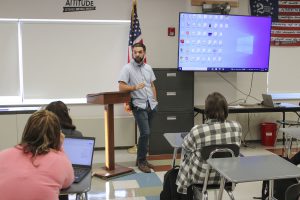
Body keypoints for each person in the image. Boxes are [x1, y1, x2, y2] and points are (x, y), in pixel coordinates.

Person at [176, 92, 242, 194]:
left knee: (189, 154)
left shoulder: (197, 130)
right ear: (225, 109)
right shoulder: (236, 127)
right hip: (228, 177)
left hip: (201, 178)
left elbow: (185, 147)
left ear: (206, 111)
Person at [0, 110, 74, 200]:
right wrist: (60, 147)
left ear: (27, 131)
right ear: (57, 135)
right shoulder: (60, 161)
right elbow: (68, 181)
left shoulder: (3, 155)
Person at [118, 42, 158, 173]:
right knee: (145, 133)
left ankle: (142, 159)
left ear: (144, 53)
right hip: (138, 105)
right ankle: (141, 161)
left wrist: (155, 100)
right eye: (135, 52)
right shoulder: (127, 68)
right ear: (132, 53)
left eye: (140, 52)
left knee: (147, 134)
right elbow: (121, 87)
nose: (137, 54)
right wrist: (134, 87)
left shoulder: (148, 68)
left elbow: (152, 85)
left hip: (151, 105)